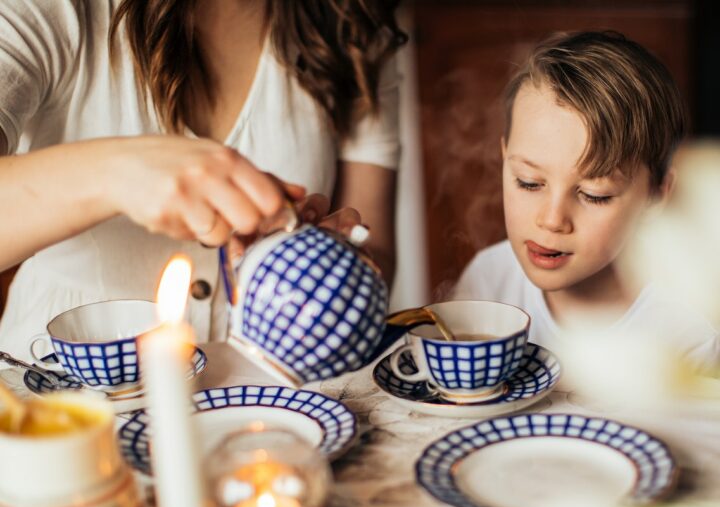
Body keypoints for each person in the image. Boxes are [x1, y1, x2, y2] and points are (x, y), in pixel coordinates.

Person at [0, 0, 405, 359]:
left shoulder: (353, 21)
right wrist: (117, 171)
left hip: (264, 403)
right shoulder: (51, 10)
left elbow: (375, 250)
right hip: (54, 406)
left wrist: (324, 264)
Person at [452, 31, 720, 372]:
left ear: (656, 196)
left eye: (594, 195)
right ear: (505, 158)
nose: (552, 220)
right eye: (529, 183)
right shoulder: (488, 281)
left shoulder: (690, 328)